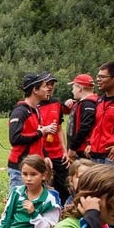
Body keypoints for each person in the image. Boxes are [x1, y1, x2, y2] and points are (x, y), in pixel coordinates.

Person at [7, 74, 56, 192]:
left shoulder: (35, 110)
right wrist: (41, 132)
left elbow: (37, 139)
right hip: (20, 168)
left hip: (36, 166)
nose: (48, 89)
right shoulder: (20, 112)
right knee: (19, 201)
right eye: (44, 86)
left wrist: (45, 155)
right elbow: (14, 139)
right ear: (35, 90)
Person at [37, 73, 70, 205]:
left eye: (52, 84)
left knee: (64, 187)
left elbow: (60, 129)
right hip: (41, 153)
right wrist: (44, 129)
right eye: (47, 84)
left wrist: (65, 151)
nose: (50, 87)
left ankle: (63, 211)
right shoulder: (34, 105)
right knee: (44, 186)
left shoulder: (56, 103)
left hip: (58, 153)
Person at [86, 60, 114, 166]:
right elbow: (95, 125)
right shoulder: (100, 100)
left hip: (113, 157)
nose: (98, 80)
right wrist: (89, 143)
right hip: (94, 155)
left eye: (102, 77)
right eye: (98, 76)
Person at [63, 74, 97, 162]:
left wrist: (73, 148)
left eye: (73, 87)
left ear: (80, 88)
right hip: (79, 149)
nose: (72, 90)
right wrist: (66, 105)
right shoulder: (83, 103)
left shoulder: (88, 104)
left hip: (83, 150)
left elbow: (85, 127)